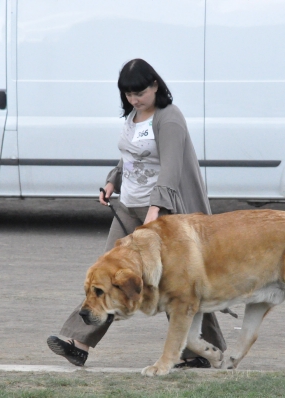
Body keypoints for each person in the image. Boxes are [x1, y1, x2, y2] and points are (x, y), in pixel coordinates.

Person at [47, 59, 226, 368]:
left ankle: (202, 350)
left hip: (161, 213)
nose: (134, 99)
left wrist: (155, 213)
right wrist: (111, 181)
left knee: (179, 283)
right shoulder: (133, 115)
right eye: (128, 94)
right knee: (106, 275)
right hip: (129, 207)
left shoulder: (169, 119)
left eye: (139, 92)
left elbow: (170, 169)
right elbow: (128, 157)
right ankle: (79, 342)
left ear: (155, 85)